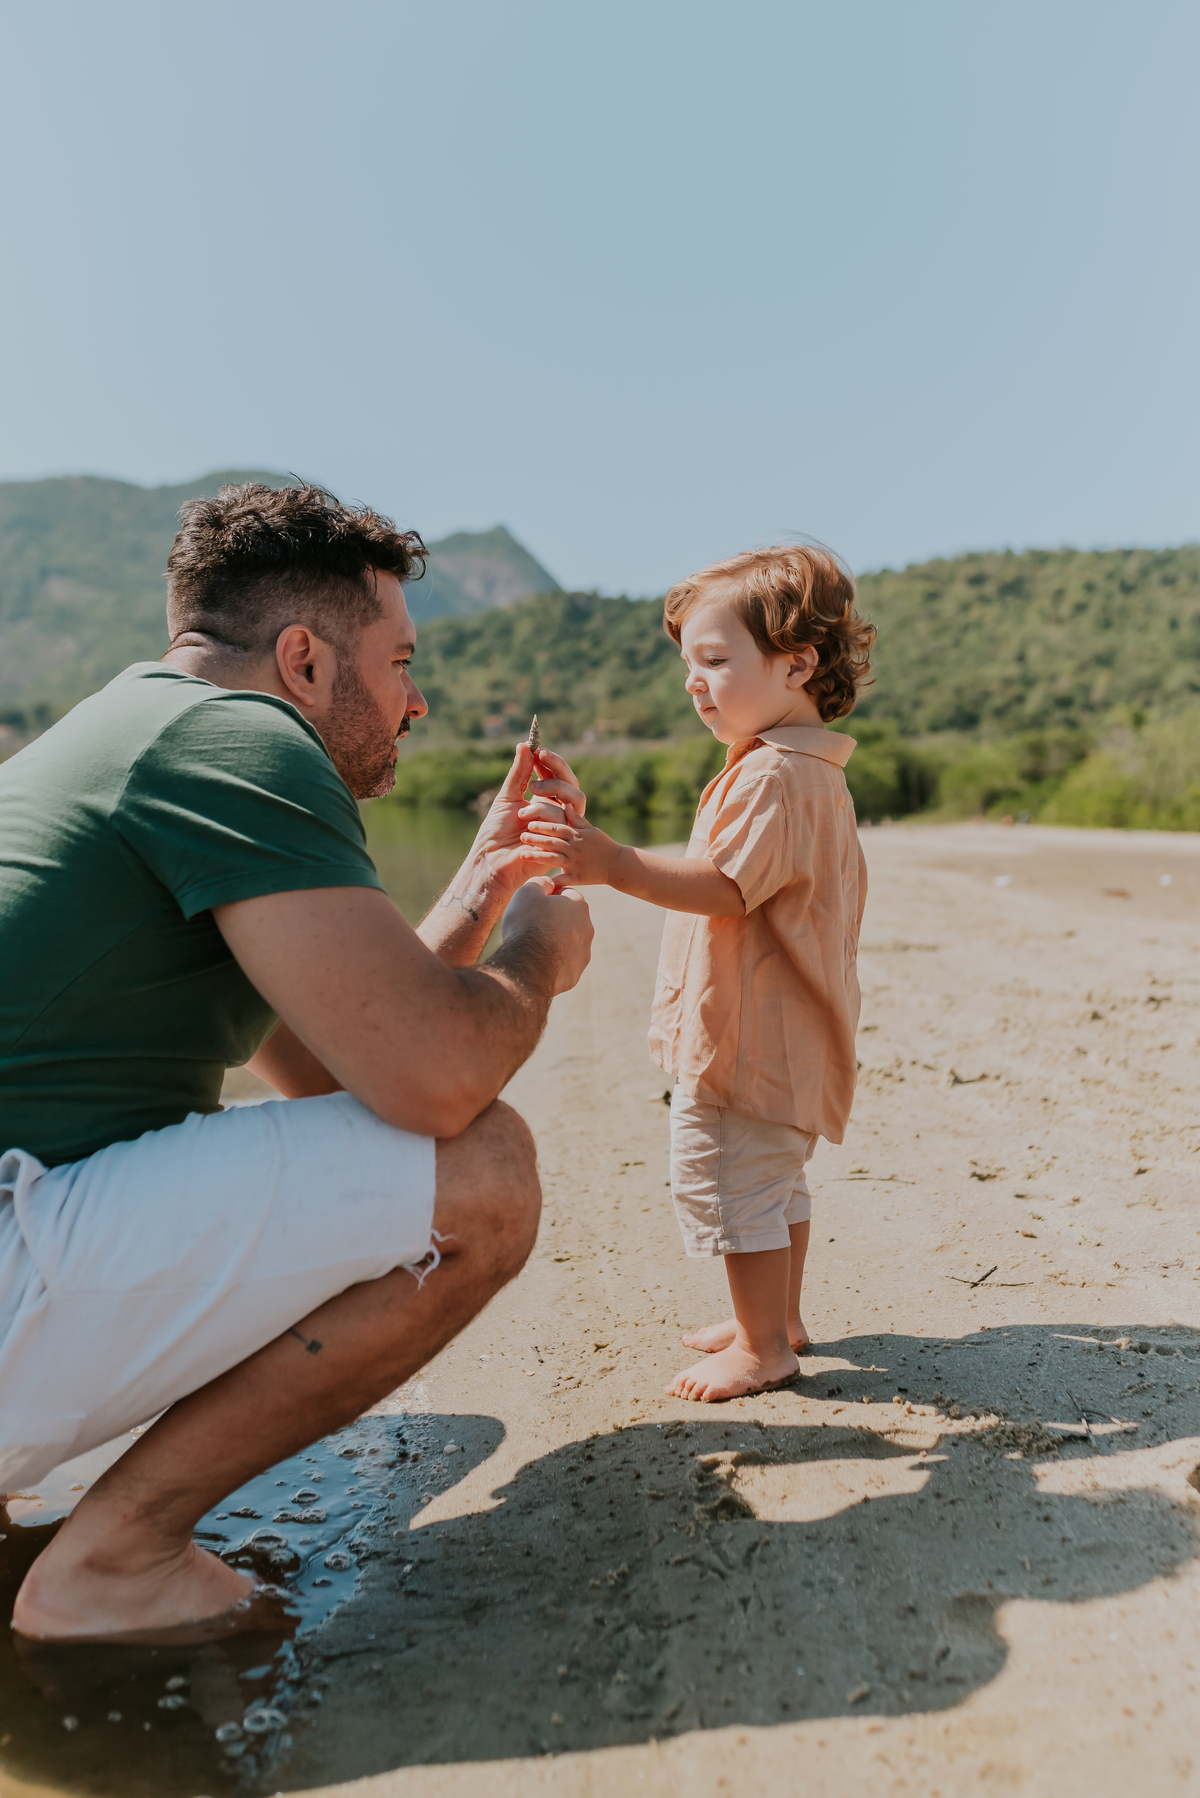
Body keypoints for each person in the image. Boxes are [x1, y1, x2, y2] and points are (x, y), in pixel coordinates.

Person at [0, 481, 592, 1642]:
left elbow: (338, 1073)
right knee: (484, 1174)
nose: (417, 701)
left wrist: (476, 891)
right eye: (403, 661)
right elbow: (433, 1089)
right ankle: (112, 1562)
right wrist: (536, 950)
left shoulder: (137, 725)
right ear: (308, 661)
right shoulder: (241, 740)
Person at [522, 545, 873, 1402]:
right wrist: (596, 835)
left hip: (749, 1039)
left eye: (717, 660)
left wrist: (610, 861)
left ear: (797, 665)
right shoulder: (804, 770)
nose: (695, 681)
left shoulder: (775, 777)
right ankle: (777, 1320)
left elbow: (723, 887)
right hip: (785, 1034)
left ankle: (763, 1348)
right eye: (689, 665)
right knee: (774, 1185)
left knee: (730, 1184)